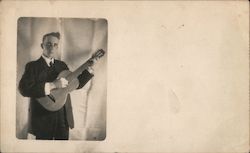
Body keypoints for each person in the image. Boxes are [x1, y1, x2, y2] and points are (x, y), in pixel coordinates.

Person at [19, 32, 94, 140]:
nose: (52, 47)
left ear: (58, 47)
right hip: (42, 119)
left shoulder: (62, 65)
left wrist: (89, 69)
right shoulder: (32, 66)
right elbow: (24, 89)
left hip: (63, 118)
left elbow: (74, 85)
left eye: (55, 45)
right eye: (48, 44)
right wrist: (53, 85)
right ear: (42, 45)